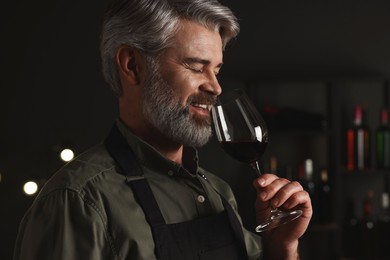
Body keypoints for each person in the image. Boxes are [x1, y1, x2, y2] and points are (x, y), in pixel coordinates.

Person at [13, 0, 312, 259]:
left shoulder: (218, 193)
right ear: (132, 65)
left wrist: (282, 247)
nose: (215, 86)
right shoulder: (77, 200)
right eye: (196, 67)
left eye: (216, 69)